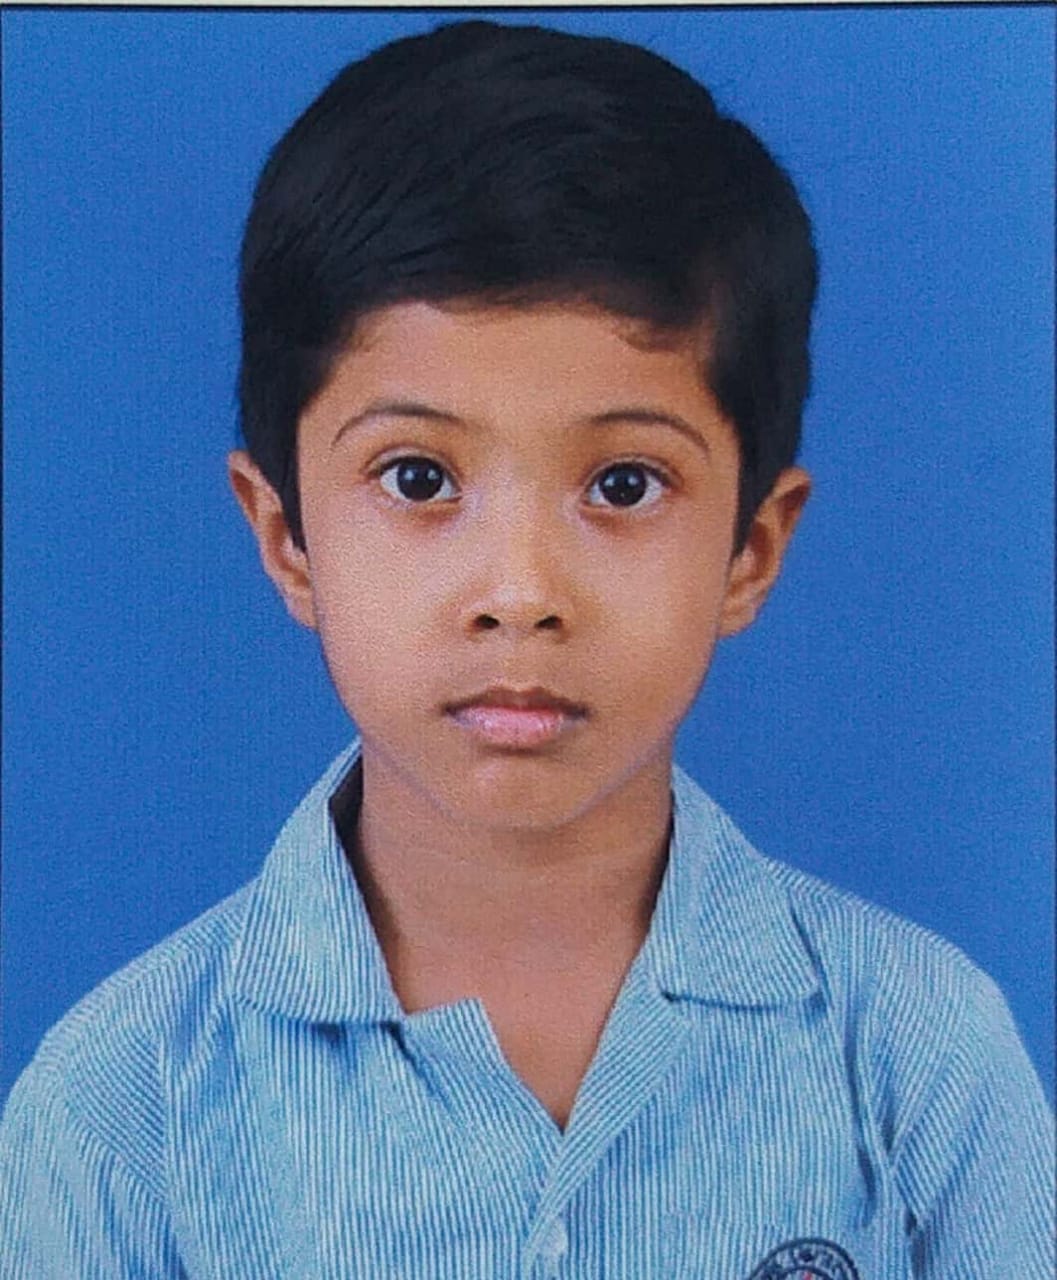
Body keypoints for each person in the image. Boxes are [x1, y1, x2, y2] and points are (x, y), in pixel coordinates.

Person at [0, 19, 1050, 1279]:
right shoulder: (122, 1109)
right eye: (417, 476)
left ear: (751, 548)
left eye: (622, 483)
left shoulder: (917, 1055)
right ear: (286, 538)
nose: (520, 594)